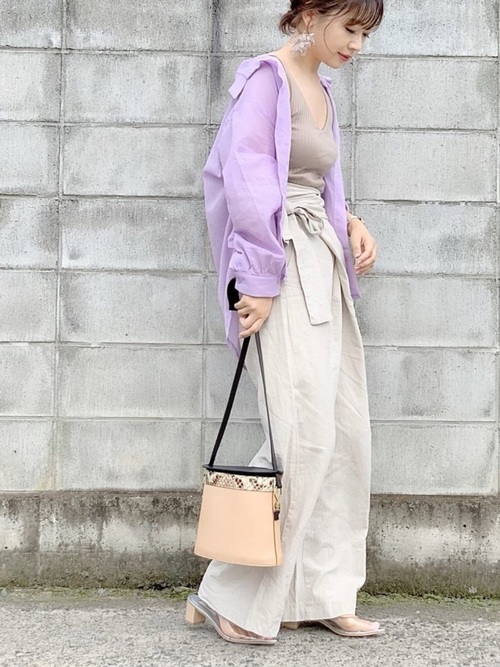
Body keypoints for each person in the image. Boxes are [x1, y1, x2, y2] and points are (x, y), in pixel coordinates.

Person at [186, 0, 385, 645]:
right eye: (350, 28)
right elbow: (245, 182)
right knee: (301, 436)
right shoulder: (265, 81)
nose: (357, 44)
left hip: (320, 261)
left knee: (343, 432)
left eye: (365, 34)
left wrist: (349, 221)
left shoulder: (320, 86)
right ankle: (226, 596)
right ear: (312, 13)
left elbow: (315, 180)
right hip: (280, 266)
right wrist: (260, 281)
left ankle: (320, 594)